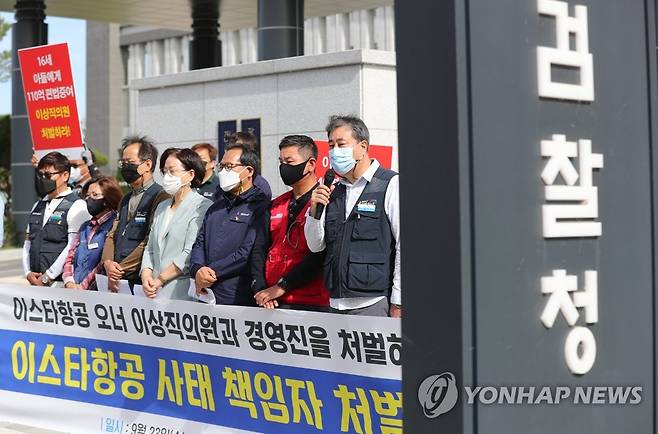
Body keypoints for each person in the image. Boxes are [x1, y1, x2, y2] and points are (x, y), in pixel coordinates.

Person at [305, 115, 401, 317]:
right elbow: (315, 245)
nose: (334, 152)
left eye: (341, 144)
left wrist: (398, 302)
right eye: (331, 146)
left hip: (373, 302)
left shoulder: (389, 184)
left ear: (363, 146)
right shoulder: (332, 189)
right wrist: (314, 210)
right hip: (335, 303)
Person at [250, 135, 329, 311]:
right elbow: (259, 249)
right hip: (272, 301)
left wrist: (282, 286)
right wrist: (261, 288)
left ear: (310, 164)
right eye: (281, 161)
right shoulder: (275, 205)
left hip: (310, 302)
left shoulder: (325, 200)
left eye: (289, 161)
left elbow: (320, 255)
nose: (284, 167)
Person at [190, 139, 271, 305]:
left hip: (237, 297)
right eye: (221, 167)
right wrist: (197, 269)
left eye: (229, 167)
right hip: (205, 293)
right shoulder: (215, 207)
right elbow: (200, 242)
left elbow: (247, 252)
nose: (223, 172)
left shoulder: (260, 207)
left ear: (248, 170)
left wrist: (212, 272)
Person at [140, 149, 212, 299]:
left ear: (190, 174)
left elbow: (190, 251)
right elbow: (150, 247)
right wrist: (146, 274)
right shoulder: (162, 206)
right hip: (153, 291)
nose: (167, 177)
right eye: (165, 171)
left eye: (172, 171)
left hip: (180, 293)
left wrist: (160, 279)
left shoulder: (202, 206)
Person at [102, 136, 169, 291]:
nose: (125, 167)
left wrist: (120, 269)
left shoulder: (160, 196)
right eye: (122, 163)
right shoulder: (126, 198)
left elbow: (150, 240)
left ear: (147, 164)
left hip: (141, 280)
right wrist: (107, 263)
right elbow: (112, 234)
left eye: (130, 163)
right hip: (117, 278)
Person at [22, 152, 92, 286]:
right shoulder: (38, 205)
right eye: (40, 175)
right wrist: (28, 273)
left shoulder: (77, 206)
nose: (43, 179)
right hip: (35, 282)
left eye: (48, 175)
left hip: (61, 283)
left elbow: (73, 246)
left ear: (65, 175)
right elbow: (28, 243)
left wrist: (48, 276)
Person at [63, 176, 123, 290]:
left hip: (97, 292)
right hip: (74, 290)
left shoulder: (115, 225)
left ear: (107, 199)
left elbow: (103, 262)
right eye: (88, 195)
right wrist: (69, 281)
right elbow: (70, 257)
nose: (89, 199)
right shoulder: (85, 227)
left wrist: (83, 286)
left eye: (95, 195)